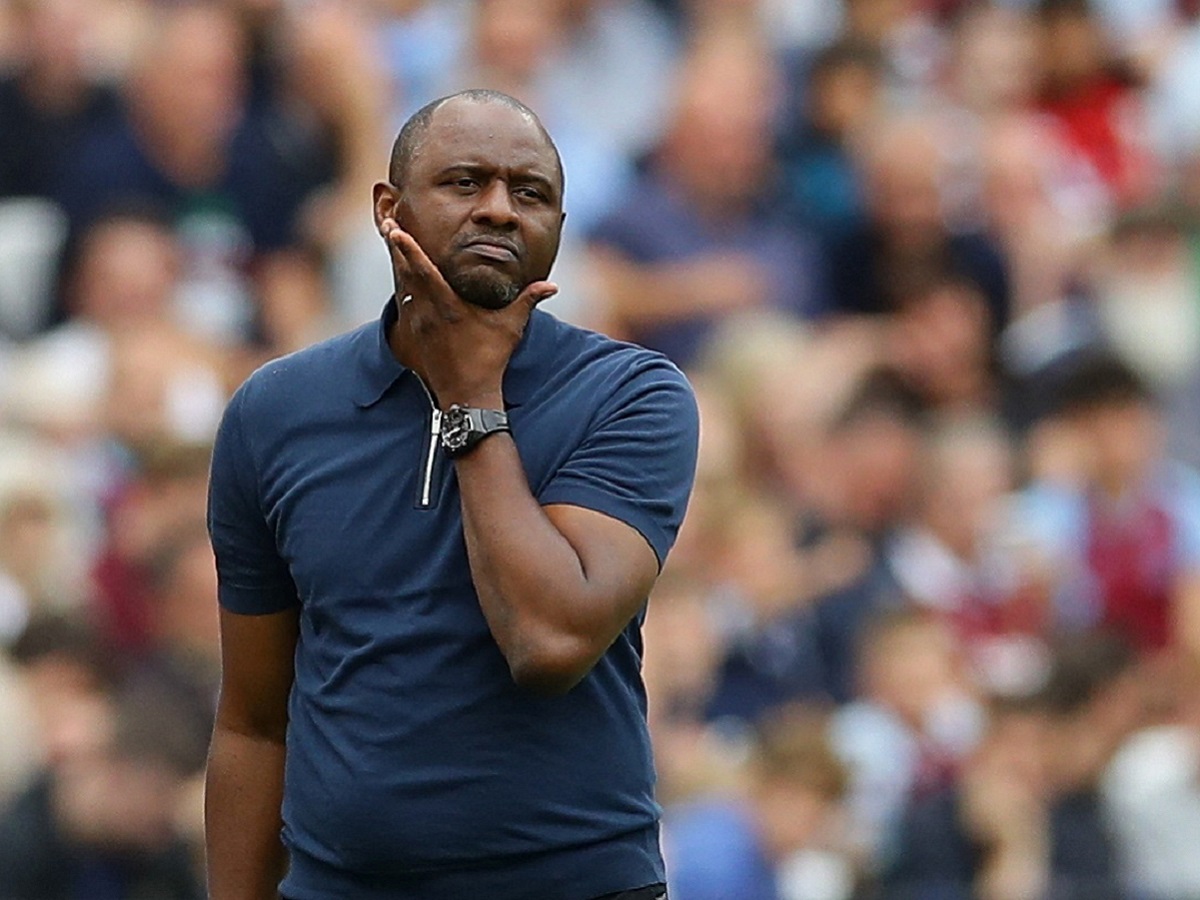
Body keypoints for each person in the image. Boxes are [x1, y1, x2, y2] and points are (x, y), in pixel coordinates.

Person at [205, 89, 699, 900]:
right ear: (388, 209)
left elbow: (548, 641)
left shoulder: (631, 395)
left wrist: (473, 398)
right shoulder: (277, 412)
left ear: (560, 231)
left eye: (530, 193)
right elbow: (254, 722)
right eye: (466, 182)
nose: (500, 210)